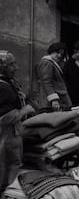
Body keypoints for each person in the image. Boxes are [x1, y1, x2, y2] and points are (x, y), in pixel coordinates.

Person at [0, 51, 35, 191]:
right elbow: (3, 117)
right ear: (2, 66)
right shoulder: (3, 87)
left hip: (11, 132)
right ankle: (8, 198)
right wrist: (24, 111)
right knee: (9, 163)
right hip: (6, 134)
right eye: (11, 64)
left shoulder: (8, 83)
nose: (16, 67)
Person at [35, 42, 71, 110]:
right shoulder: (47, 63)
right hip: (54, 101)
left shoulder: (53, 63)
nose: (59, 55)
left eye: (61, 54)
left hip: (58, 98)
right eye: (57, 52)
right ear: (52, 51)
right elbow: (46, 82)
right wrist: (53, 99)